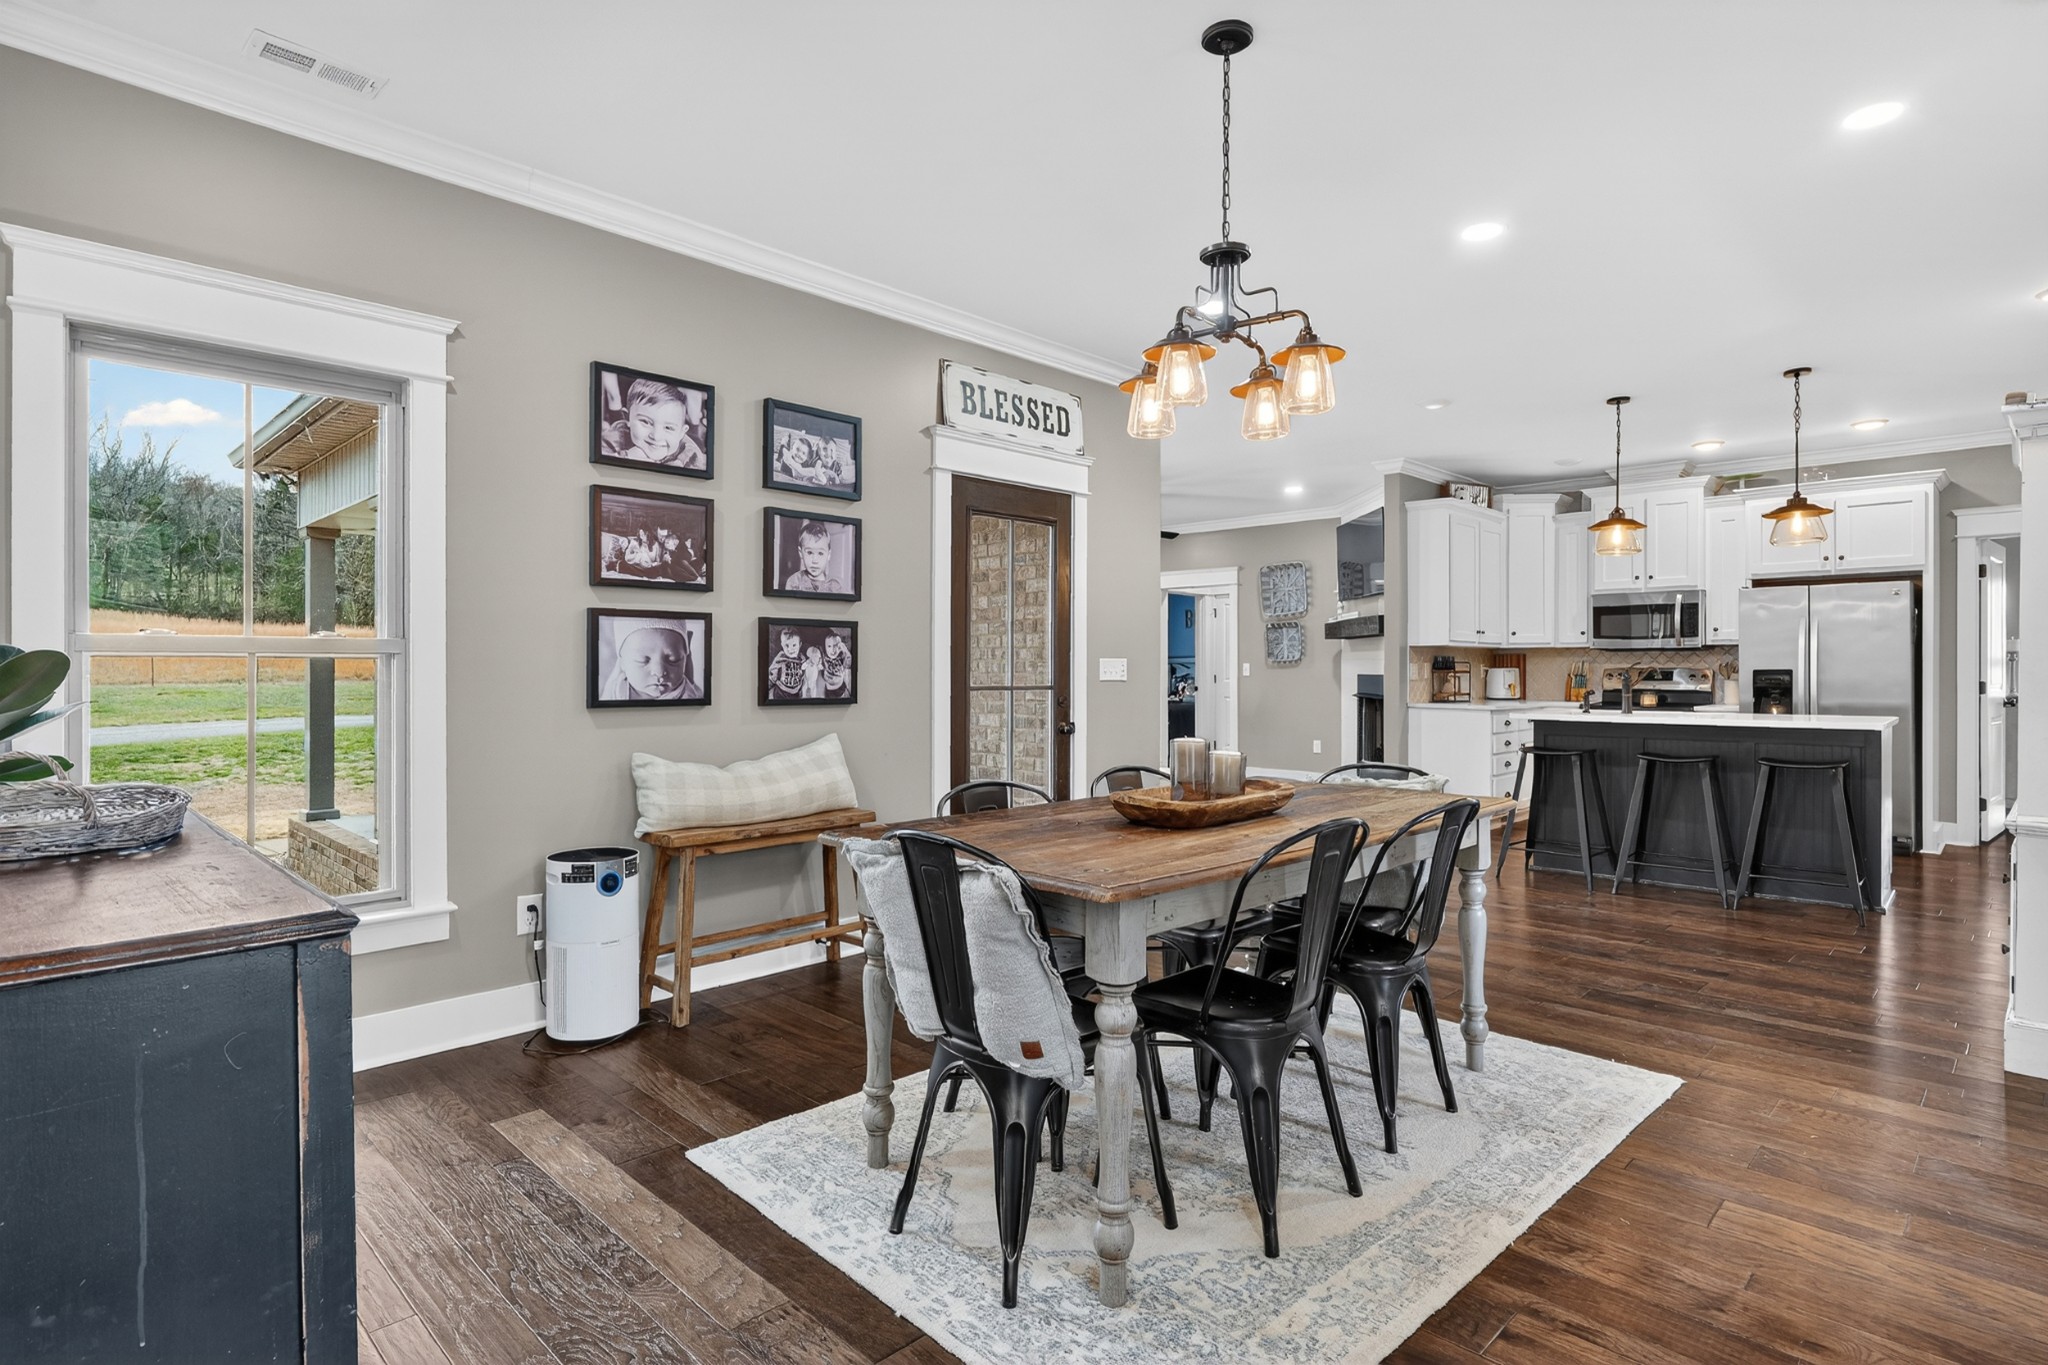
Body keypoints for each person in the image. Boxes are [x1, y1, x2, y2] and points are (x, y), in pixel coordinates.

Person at [601, 376, 707, 470]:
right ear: (627, 418)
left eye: (668, 428)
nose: (656, 436)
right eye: (646, 422)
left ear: (681, 433)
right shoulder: (616, 436)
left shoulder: (690, 453)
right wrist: (626, 457)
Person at [600, 623, 700, 701]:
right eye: (642, 661)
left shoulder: (688, 696)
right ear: (622, 662)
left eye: (673, 660)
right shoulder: (616, 689)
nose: (659, 672)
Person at [783, 521, 844, 594]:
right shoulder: (794, 581)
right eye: (809, 552)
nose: (815, 560)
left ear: (828, 555)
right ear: (801, 553)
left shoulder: (835, 587)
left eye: (820, 553)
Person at [766, 627, 807, 701]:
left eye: (794, 645)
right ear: (782, 645)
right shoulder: (780, 659)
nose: (790, 649)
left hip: (796, 693)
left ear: (800, 644)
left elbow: (804, 675)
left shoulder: (802, 659)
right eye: (786, 645)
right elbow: (771, 676)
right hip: (780, 693)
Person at [820, 631, 853, 699]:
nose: (833, 650)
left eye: (836, 646)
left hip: (840, 686)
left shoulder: (841, 657)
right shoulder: (824, 656)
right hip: (828, 687)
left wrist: (845, 650)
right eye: (829, 646)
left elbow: (849, 661)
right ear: (825, 647)